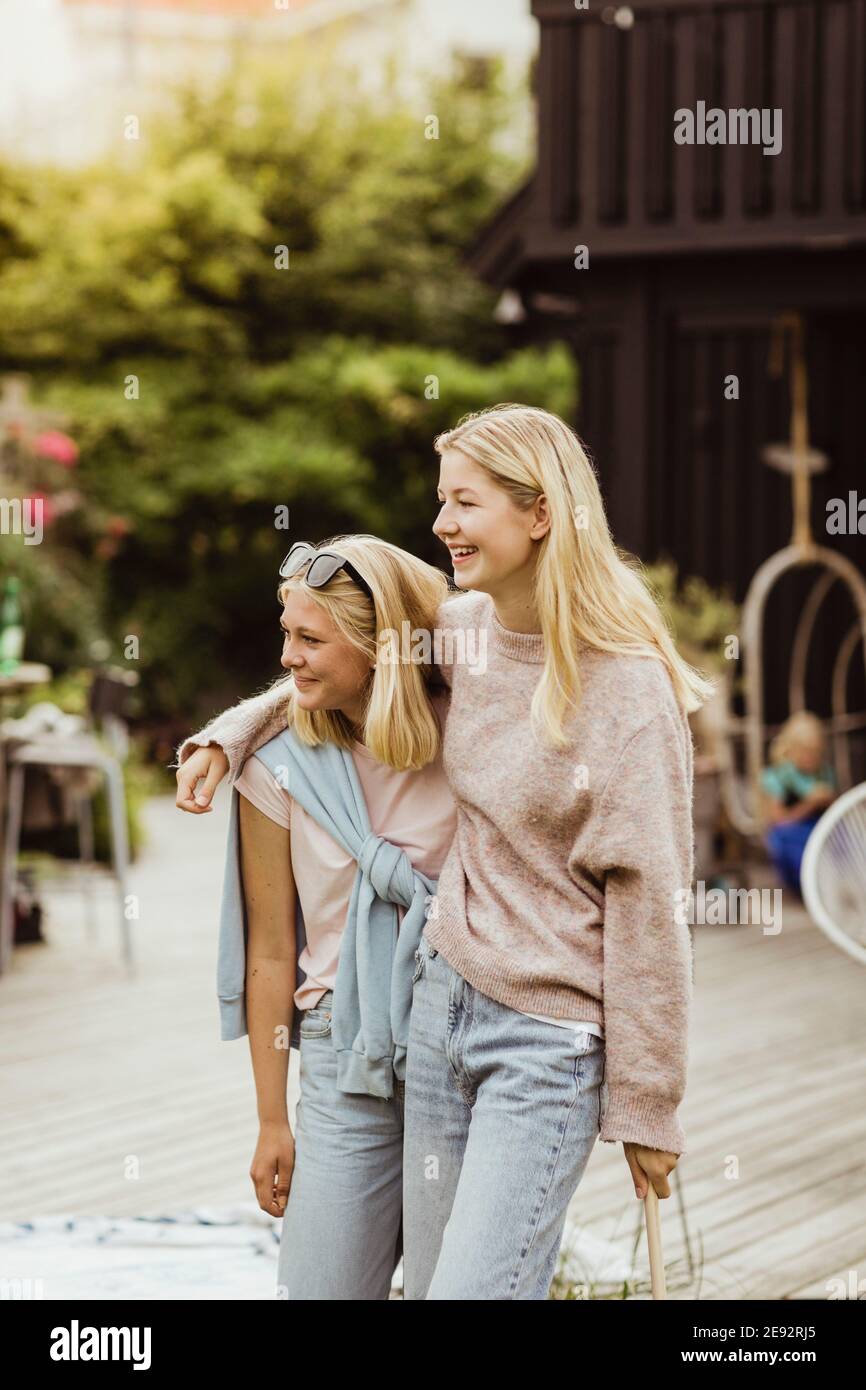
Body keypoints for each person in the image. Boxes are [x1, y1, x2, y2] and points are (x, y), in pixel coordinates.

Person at [175, 403, 715, 1300]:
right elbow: (332, 664)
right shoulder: (462, 634)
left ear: (540, 513)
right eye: (440, 501)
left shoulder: (628, 686)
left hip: (547, 1043)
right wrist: (227, 738)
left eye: (464, 503)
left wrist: (650, 1101)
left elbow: (652, 900)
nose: (440, 525)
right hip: (439, 1010)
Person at [760, 711, 837, 897]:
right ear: (790, 749)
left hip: (818, 833)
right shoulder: (778, 777)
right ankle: (807, 886)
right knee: (786, 838)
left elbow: (836, 815)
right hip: (792, 839)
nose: (810, 758)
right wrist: (809, 804)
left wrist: (829, 800)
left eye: (815, 753)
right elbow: (778, 821)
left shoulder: (823, 773)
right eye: (805, 752)